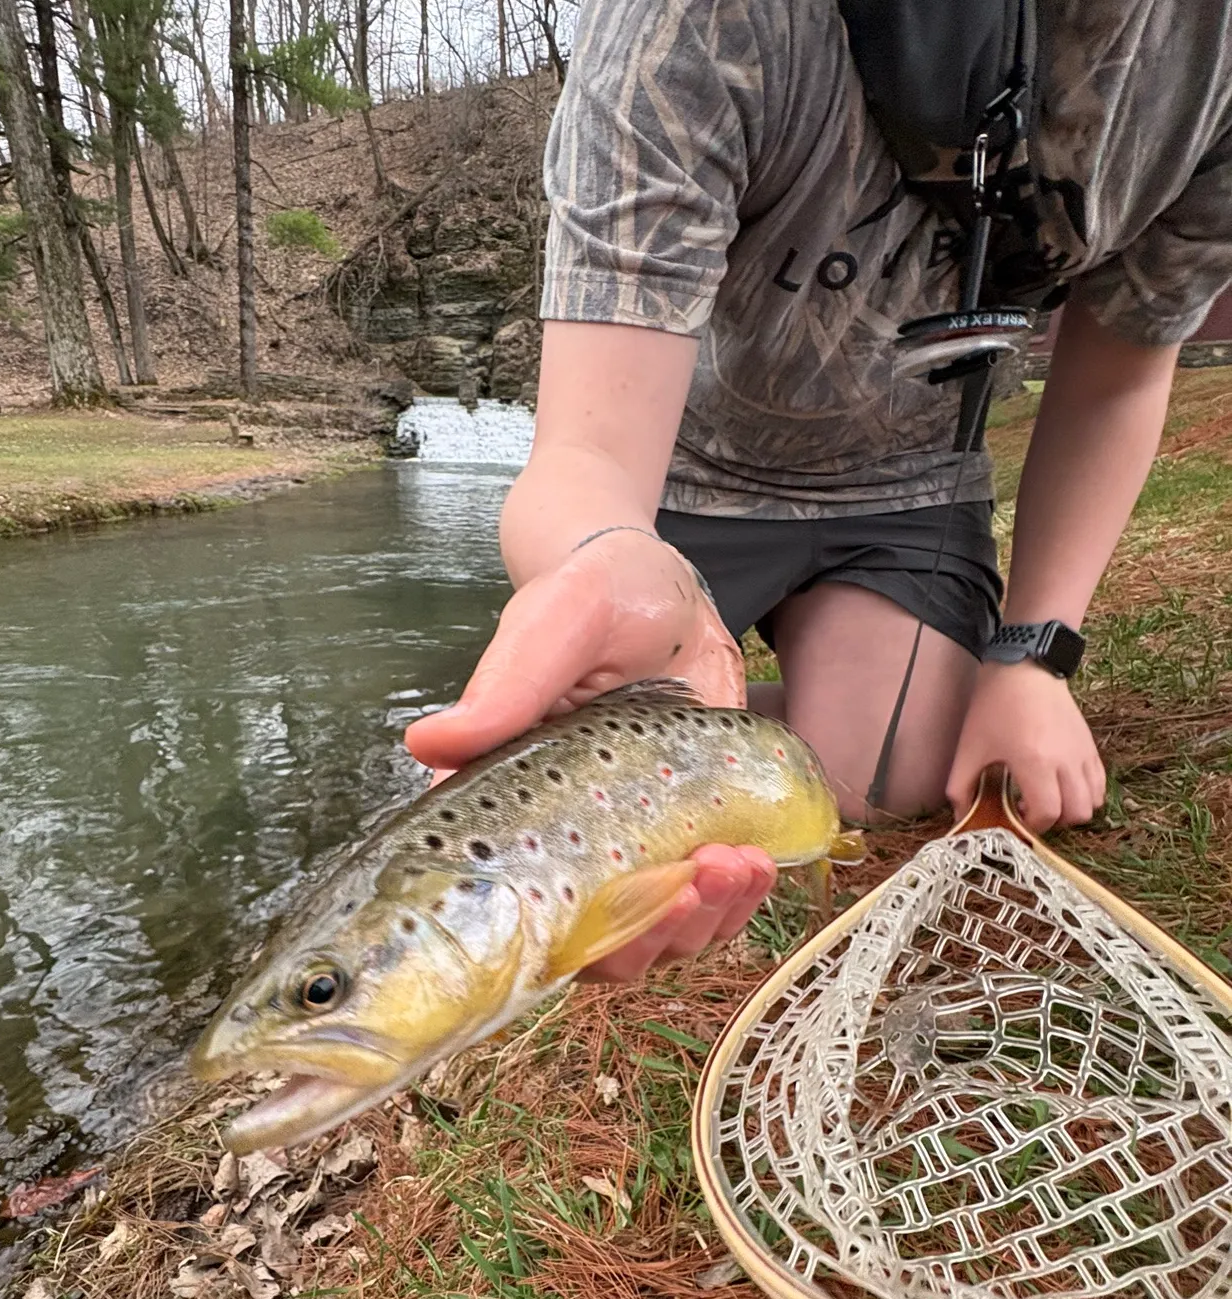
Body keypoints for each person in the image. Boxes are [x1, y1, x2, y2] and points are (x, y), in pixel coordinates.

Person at [405, 0, 1232, 982]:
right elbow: (583, 455)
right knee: (583, 759)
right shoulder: (693, 21)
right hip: (670, 473)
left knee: (892, 776)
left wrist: (1031, 656)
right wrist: (606, 560)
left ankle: (744, 725)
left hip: (909, 486)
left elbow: (1121, 374)